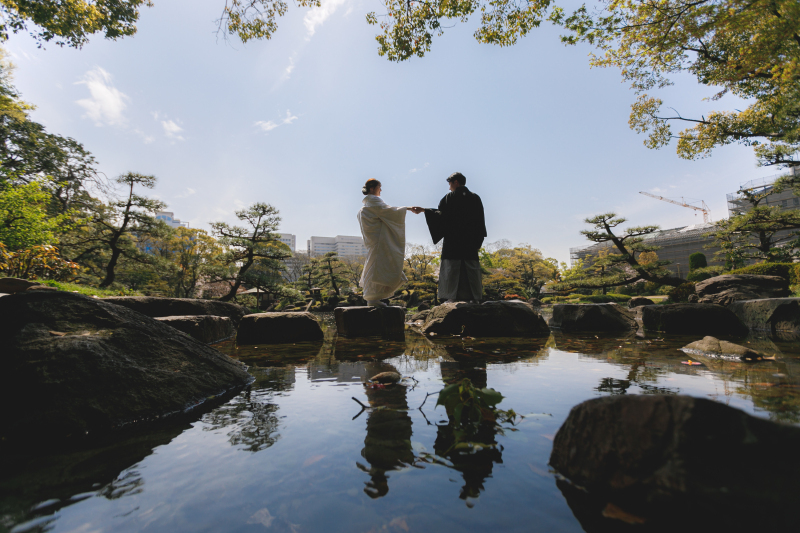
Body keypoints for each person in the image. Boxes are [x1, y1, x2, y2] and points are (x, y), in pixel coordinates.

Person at [416, 172, 486, 303]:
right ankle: (474, 298)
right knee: (470, 268)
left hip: (453, 241)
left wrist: (425, 210)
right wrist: (479, 240)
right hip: (470, 241)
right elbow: (480, 220)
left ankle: (452, 297)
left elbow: (441, 216)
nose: (449, 187)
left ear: (456, 182)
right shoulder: (475, 198)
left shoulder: (449, 198)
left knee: (452, 267)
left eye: (450, 184)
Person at [357, 179, 420, 307]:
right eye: (379, 187)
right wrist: (408, 208)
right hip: (379, 240)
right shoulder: (374, 202)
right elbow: (391, 211)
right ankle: (372, 298)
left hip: (374, 240)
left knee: (374, 265)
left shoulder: (366, 206)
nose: (381, 190)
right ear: (372, 188)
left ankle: (372, 297)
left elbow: (387, 211)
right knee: (377, 267)